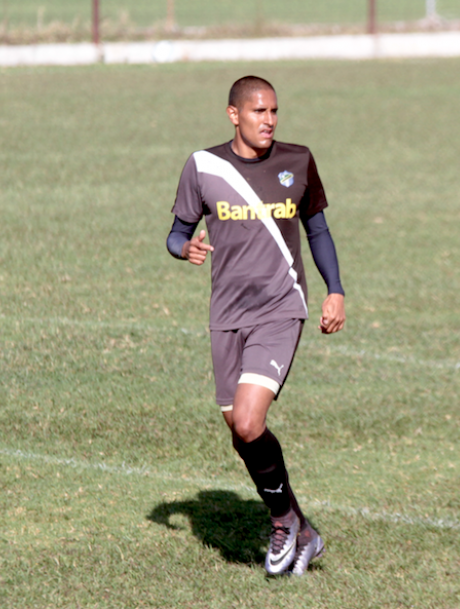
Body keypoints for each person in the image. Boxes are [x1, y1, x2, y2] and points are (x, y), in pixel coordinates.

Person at [165, 75, 345, 576]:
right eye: (258, 111)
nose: (268, 120)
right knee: (242, 434)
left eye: (274, 112)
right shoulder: (204, 166)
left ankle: (285, 526)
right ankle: (296, 525)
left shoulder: (297, 161)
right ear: (234, 115)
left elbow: (318, 229)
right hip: (226, 315)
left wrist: (335, 290)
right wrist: (185, 247)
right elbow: (177, 233)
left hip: (280, 307)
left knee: (248, 420)